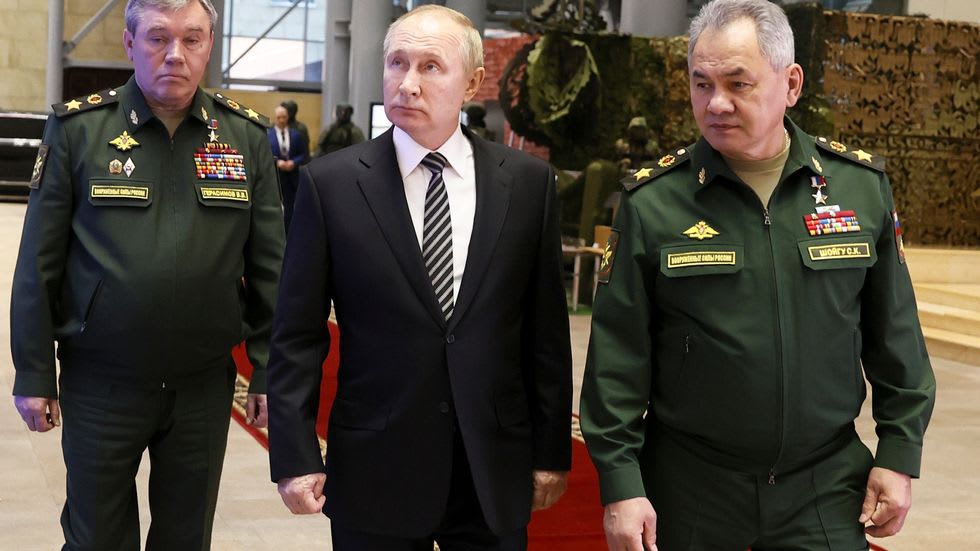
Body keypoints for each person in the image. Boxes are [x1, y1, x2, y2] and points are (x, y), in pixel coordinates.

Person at [579, 1, 936, 550]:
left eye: (738, 84)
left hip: (824, 483)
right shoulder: (654, 202)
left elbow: (897, 337)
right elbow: (617, 358)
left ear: (790, 84)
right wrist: (621, 484)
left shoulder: (858, 189)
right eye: (702, 84)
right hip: (691, 484)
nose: (716, 103)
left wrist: (899, 452)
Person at [267, 5, 572, 550]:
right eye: (397, 63)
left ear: (472, 82)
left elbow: (545, 333)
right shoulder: (331, 186)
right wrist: (294, 455)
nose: (407, 83)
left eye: (430, 66)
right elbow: (297, 334)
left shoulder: (528, 185)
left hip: (491, 467)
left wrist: (551, 450)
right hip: (376, 464)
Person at [9, 0, 284, 549]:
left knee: (186, 537)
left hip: (204, 385)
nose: (175, 54)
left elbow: (271, 266)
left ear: (209, 45)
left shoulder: (244, 136)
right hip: (101, 381)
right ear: (130, 44)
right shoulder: (80, 130)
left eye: (192, 39)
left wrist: (268, 368)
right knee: (96, 537)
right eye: (158, 38)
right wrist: (34, 371)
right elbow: (39, 260)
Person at [269, 104, 308, 231]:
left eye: (284, 117)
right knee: (274, 205)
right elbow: (265, 155)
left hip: (292, 176)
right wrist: (277, 162)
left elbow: (303, 154)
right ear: (275, 118)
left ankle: (289, 232)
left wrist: (294, 162)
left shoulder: (296, 135)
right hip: (275, 176)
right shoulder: (268, 135)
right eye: (279, 117)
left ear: (288, 117)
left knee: (290, 206)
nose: (281, 120)